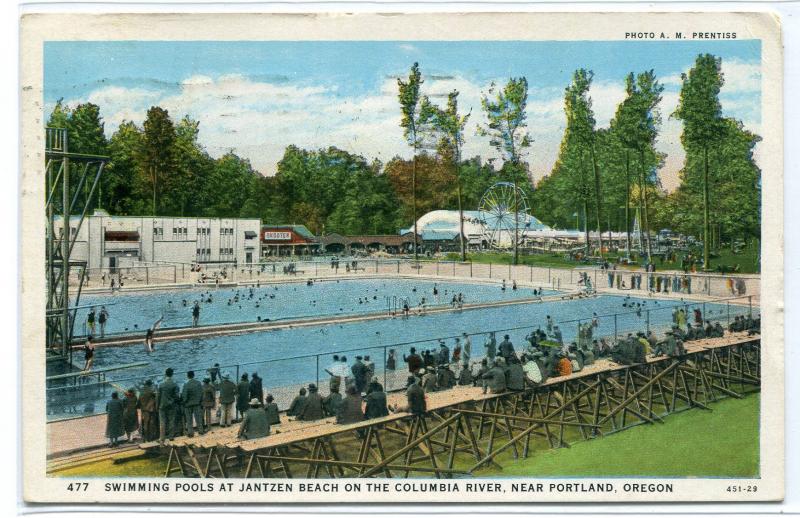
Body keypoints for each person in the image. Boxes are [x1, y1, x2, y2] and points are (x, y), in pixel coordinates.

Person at [157, 368, 180, 445]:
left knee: (162, 422)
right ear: (172, 374)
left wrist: (158, 406)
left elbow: (158, 396)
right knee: (171, 421)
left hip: (162, 406)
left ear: (165, 374)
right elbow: (177, 396)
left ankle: (162, 438)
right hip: (171, 405)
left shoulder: (161, 384)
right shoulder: (174, 384)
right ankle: (171, 436)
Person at [182, 371, 204, 437]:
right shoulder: (198, 383)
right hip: (197, 403)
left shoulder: (186, 384)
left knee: (189, 419)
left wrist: (184, 402)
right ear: (194, 375)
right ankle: (200, 431)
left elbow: (184, 395)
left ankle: (190, 433)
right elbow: (201, 393)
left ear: (187, 376)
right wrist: (199, 401)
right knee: (198, 418)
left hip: (188, 404)